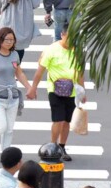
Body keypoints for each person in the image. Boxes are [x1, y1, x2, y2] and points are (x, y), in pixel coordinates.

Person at [28, 25, 85, 161]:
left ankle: (62, 147)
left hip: (71, 90)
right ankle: (53, 147)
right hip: (55, 89)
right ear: (62, 35)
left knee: (66, 121)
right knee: (58, 120)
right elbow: (40, 71)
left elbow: (80, 73)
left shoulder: (77, 51)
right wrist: (33, 88)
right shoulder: (51, 50)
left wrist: (82, 91)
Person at [0, 27, 32, 155]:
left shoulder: (15, 55)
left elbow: (19, 73)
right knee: (0, 126)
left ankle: (6, 153)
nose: (10, 42)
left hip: (13, 97)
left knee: (9, 129)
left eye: (12, 40)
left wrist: (29, 87)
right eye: (7, 40)